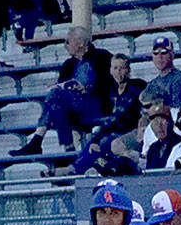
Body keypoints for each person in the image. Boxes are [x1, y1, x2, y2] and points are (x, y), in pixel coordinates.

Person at [14, 25, 114, 157]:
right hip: (73, 110)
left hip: (96, 105)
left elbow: (111, 83)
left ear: (81, 43)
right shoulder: (68, 64)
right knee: (55, 100)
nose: (65, 45)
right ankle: (49, 145)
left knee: (56, 99)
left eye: (68, 41)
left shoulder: (102, 57)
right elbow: (61, 87)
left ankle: (46, 143)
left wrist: (86, 88)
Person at [141, 35, 181, 114]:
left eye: (164, 52)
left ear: (172, 55)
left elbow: (179, 110)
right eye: (156, 53)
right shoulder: (153, 83)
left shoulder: (180, 79)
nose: (160, 57)